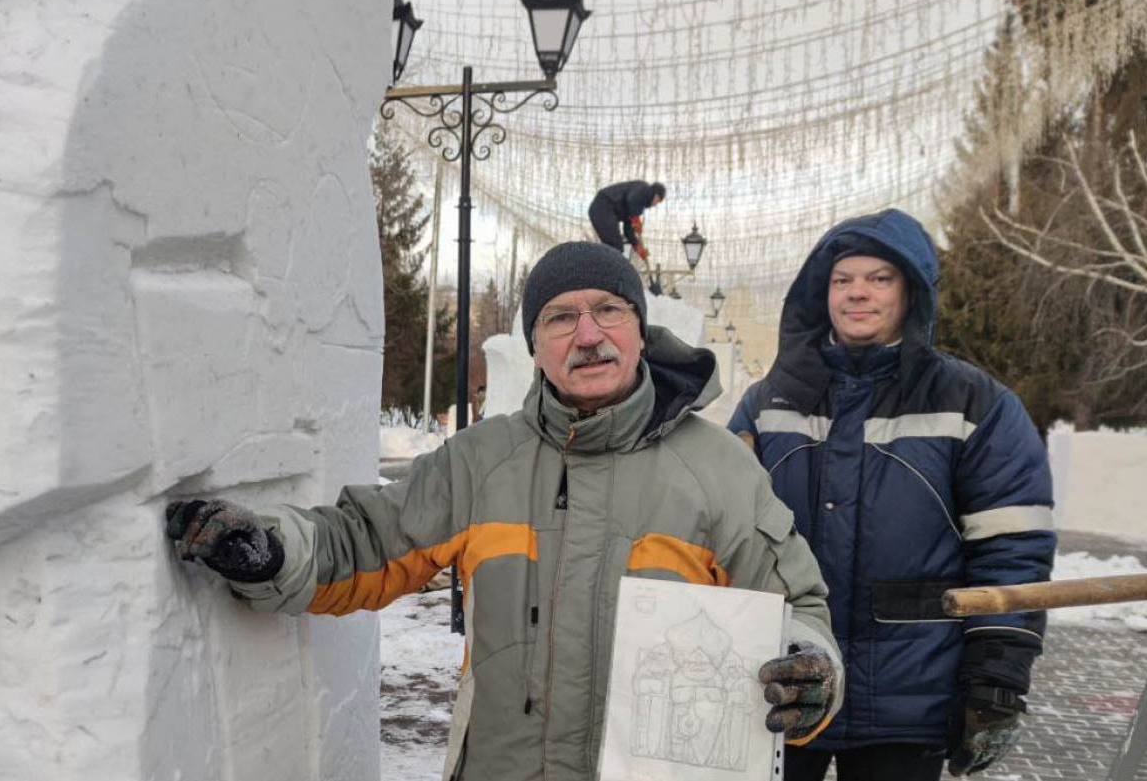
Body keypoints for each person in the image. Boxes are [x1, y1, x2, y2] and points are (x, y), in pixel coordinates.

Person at [164, 241, 844, 781]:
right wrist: (271, 550)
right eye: (560, 317)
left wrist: (808, 672)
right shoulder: (479, 461)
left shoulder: (719, 470)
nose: (587, 334)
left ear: (640, 329)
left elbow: (793, 609)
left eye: (609, 309)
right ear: (535, 346)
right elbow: (364, 542)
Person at [727, 209, 1055, 781]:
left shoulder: (972, 403)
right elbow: (723, 531)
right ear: (820, 292)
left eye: (879, 279)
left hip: (911, 701)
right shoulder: (767, 403)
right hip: (786, 682)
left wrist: (996, 685)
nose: (858, 293)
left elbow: (1013, 551)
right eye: (842, 279)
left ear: (911, 292)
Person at [588, 180, 665, 262]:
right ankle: (606, 271)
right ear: (656, 195)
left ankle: (602, 268)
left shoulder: (636, 208)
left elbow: (628, 232)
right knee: (615, 246)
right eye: (657, 201)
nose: (655, 204)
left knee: (615, 247)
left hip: (602, 211)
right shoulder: (644, 189)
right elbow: (632, 199)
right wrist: (636, 220)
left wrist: (640, 250)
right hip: (603, 205)